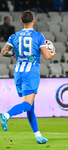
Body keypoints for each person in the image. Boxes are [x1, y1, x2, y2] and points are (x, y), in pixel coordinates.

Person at [0, 10, 56, 144]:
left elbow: (3, 52)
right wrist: (53, 53)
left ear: (21, 21)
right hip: (31, 73)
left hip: (18, 73)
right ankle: (6, 115)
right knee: (27, 105)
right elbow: (47, 56)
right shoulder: (38, 36)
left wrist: (14, 54)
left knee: (31, 105)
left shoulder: (14, 36)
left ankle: (38, 135)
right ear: (33, 21)